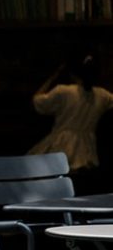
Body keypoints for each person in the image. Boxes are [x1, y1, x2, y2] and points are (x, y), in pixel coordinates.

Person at [29, 55, 113, 194]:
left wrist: (53, 77)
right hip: (87, 152)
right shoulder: (102, 95)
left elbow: (37, 102)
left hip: (61, 146)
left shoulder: (64, 91)